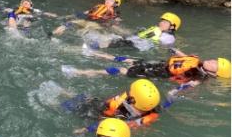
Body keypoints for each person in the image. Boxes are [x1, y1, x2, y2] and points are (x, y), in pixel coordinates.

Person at [62, 50, 231, 89]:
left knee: (122, 70)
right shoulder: (198, 62)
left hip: (161, 73)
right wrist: (176, 51)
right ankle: (97, 54)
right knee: (131, 60)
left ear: (214, 73)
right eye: (215, 60)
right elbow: (185, 57)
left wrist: (176, 92)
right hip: (161, 64)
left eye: (215, 64)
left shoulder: (199, 77)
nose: (212, 61)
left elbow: (188, 85)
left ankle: (79, 72)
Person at [62, 79, 162, 129]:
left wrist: (87, 129)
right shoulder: (149, 108)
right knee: (89, 100)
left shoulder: (137, 120)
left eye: (131, 93)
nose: (129, 92)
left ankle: (63, 95)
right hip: (106, 111)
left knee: (80, 107)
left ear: (133, 100)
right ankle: (65, 94)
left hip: (103, 117)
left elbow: (120, 124)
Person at [86, 12, 182, 51]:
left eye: (165, 22)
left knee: (119, 41)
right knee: (116, 36)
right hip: (136, 39)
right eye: (162, 21)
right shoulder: (156, 30)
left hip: (139, 45)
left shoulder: (169, 38)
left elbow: (160, 46)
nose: (161, 23)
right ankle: (95, 36)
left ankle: (93, 47)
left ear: (172, 27)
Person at [53, 0, 121, 36]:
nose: (108, 1)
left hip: (97, 24)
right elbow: (87, 12)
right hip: (87, 20)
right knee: (69, 23)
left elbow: (115, 22)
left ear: (115, 4)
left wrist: (115, 25)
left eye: (111, 1)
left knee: (83, 30)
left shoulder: (114, 14)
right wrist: (70, 16)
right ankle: (53, 33)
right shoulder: (98, 7)